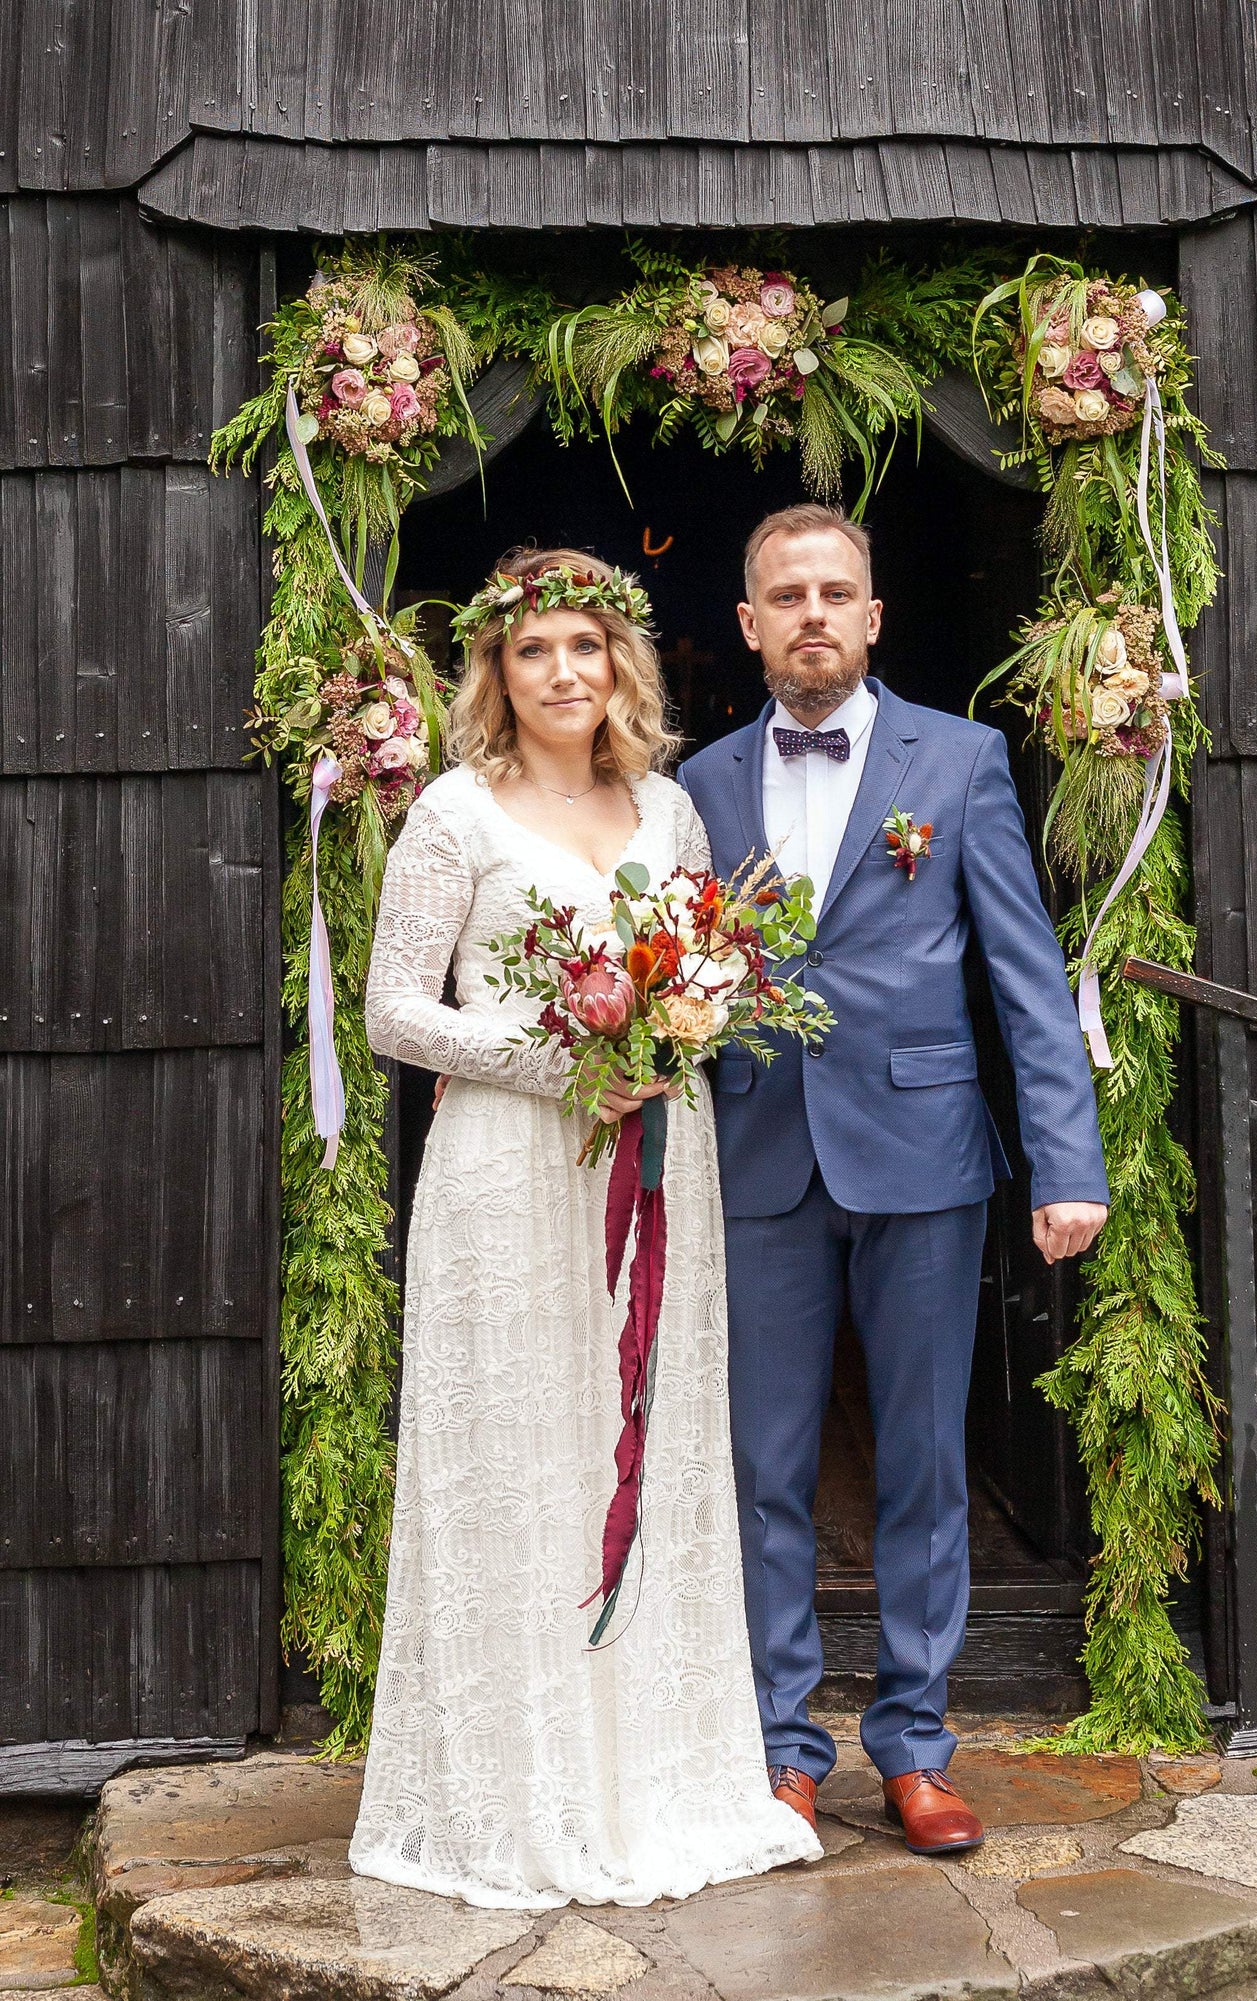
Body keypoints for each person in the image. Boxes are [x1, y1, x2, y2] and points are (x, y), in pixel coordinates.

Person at [349, 547, 820, 1909]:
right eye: (533, 649)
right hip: (506, 1168)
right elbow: (394, 1012)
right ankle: (520, 1789)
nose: (563, 671)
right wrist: (551, 1051)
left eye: (585, 646)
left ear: (622, 665)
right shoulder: (452, 813)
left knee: (648, 1441)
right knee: (519, 1456)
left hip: (658, 1164)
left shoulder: (666, 808)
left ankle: (652, 1777)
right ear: (494, 671)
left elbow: (697, 969)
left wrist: (689, 1014)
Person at [677, 504, 1109, 1858]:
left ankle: (916, 1747)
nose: (812, 611)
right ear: (748, 624)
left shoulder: (964, 758)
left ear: (872, 615)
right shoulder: (692, 783)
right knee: (764, 1464)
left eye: (835, 590)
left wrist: (1066, 1159)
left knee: (924, 1458)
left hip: (924, 1157)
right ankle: (778, 1746)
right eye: (785, 593)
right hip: (753, 1153)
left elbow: (1023, 977)